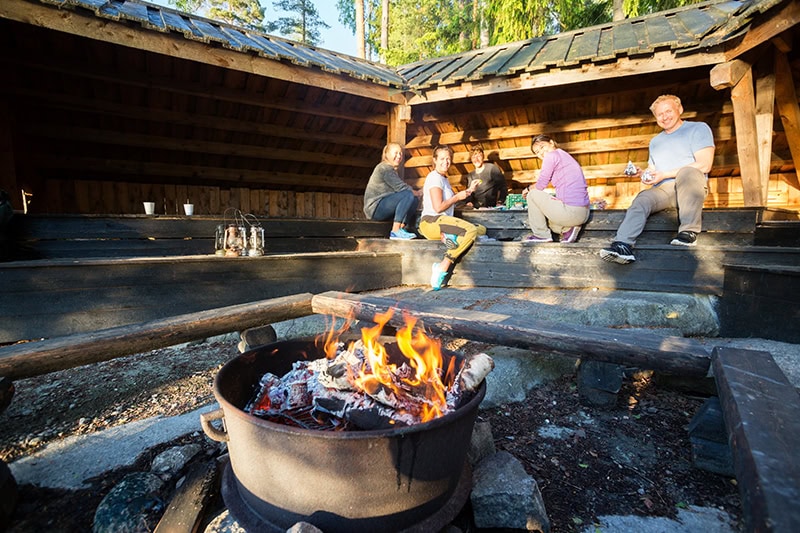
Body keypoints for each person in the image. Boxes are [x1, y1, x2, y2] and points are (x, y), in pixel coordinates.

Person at [600, 94, 715, 264]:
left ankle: (688, 232)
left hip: (690, 185)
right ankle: (623, 245)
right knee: (643, 198)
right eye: (659, 114)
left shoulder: (698, 128)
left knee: (687, 172)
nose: (664, 117)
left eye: (668, 111)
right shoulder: (655, 141)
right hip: (665, 190)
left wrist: (665, 174)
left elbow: (705, 165)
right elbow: (654, 172)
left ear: (680, 109)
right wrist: (643, 174)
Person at [419, 145, 489, 290]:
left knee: (481, 230)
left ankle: (451, 236)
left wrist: (469, 192)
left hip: (443, 221)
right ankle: (442, 266)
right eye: (442, 159)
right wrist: (457, 197)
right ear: (435, 160)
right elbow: (438, 207)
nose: (446, 162)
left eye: (448, 159)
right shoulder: (434, 177)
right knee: (471, 231)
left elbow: (448, 205)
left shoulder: (444, 179)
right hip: (431, 222)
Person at [521, 134, 590, 244]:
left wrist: (528, 189)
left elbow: (541, 185)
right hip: (583, 212)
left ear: (552, 143)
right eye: (537, 152)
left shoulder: (551, 155)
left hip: (572, 211)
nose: (541, 153)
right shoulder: (564, 156)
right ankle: (568, 230)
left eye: (542, 147)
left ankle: (541, 235)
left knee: (532, 195)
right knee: (549, 222)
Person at [363, 142, 422, 240]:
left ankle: (402, 229)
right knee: (408, 195)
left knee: (413, 199)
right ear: (387, 154)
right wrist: (419, 192)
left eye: (400, 153)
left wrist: (416, 195)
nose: (399, 156)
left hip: (385, 206)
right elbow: (402, 188)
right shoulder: (384, 168)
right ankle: (395, 231)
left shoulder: (392, 170)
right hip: (375, 208)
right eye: (396, 153)